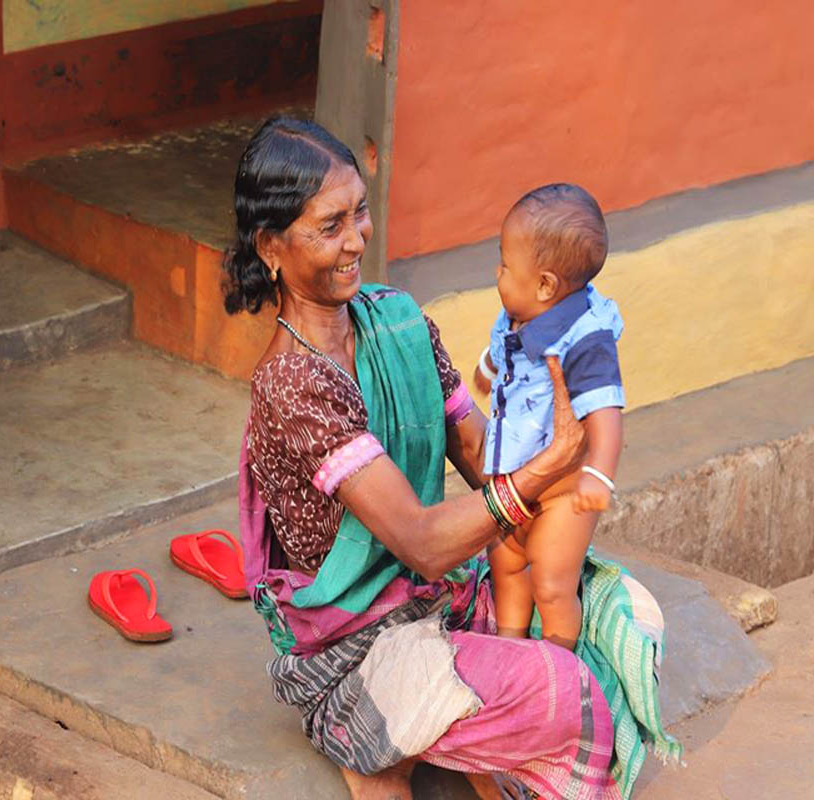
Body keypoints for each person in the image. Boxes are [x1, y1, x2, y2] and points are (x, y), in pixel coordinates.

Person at [225, 117, 671, 800]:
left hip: (441, 600)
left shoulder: (398, 318)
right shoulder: (293, 383)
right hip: (361, 648)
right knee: (564, 688)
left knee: (626, 612)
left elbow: (476, 448)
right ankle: (371, 732)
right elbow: (424, 542)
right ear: (271, 247)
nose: (356, 241)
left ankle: (441, 736)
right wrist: (546, 467)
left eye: (361, 213)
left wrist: (556, 476)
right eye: (330, 226)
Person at [474, 183, 624, 652]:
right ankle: (512, 652)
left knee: (552, 583)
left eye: (504, 265)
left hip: (561, 494)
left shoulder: (586, 338)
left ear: (545, 284)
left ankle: (558, 667)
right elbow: (508, 348)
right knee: (507, 566)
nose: (496, 272)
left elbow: (605, 413)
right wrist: (487, 367)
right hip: (515, 479)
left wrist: (598, 473)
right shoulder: (520, 312)